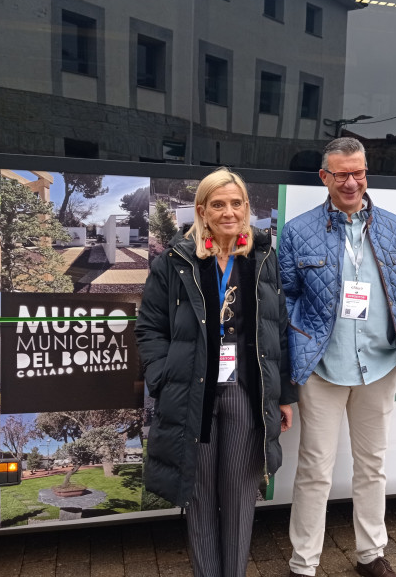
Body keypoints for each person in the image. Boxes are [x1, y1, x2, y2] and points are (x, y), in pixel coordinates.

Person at [136, 167, 296, 577]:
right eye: (218, 204)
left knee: (241, 496)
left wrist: (285, 395)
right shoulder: (176, 261)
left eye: (236, 203)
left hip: (246, 392)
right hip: (193, 393)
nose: (229, 212)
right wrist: (163, 375)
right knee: (201, 496)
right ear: (202, 210)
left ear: (247, 208)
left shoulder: (262, 258)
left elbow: (277, 328)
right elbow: (149, 327)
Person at [278, 137, 396, 577]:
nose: (350, 182)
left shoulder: (394, 226)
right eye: (340, 173)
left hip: (379, 365)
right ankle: (303, 564)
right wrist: (298, 347)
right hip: (323, 369)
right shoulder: (298, 230)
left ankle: (371, 554)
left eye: (357, 172)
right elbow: (285, 297)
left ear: (366, 173)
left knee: (373, 465)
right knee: (315, 471)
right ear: (324, 177)